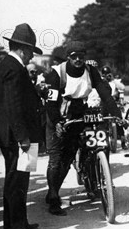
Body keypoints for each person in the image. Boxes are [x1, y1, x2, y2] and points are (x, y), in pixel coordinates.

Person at [44, 41, 122, 216]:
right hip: (58, 113)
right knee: (56, 159)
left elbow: (104, 92)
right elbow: (50, 103)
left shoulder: (90, 70)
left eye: (81, 56)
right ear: (68, 57)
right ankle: (53, 198)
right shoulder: (57, 73)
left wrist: (116, 114)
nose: (78, 59)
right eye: (74, 56)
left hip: (78, 112)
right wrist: (57, 122)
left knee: (70, 154)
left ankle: (90, 176)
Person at [0, 23, 44, 229]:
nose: (32, 56)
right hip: (16, 135)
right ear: (22, 49)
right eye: (31, 51)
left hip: (13, 134)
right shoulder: (13, 67)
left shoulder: (6, 65)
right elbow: (13, 106)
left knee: (19, 179)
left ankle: (18, 223)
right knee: (16, 181)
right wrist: (23, 137)